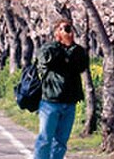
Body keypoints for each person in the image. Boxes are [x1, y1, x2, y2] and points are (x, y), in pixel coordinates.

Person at [34, 18, 89, 159]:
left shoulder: (78, 50)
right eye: (63, 28)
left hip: (69, 102)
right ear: (56, 32)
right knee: (45, 139)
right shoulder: (49, 48)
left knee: (61, 142)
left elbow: (82, 66)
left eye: (69, 28)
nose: (67, 31)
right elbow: (45, 59)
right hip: (50, 102)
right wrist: (60, 45)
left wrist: (70, 45)